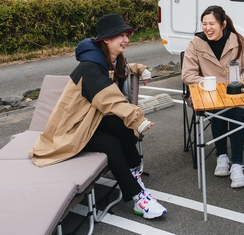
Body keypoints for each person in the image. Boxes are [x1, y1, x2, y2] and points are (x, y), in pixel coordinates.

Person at [31, 13, 166, 219]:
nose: (127, 40)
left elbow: (122, 70)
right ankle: (138, 197)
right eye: (121, 36)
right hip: (73, 129)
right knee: (111, 144)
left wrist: (140, 69)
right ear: (106, 40)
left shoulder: (111, 59)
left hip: (91, 120)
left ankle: (132, 172)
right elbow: (109, 98)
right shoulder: (90, 67)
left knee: (122, 126)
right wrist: (138, 119)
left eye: (126, 35)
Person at [181, 5, 244, 188]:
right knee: (219, 105)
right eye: (204, 24)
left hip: (236, 93)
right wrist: (210, 84)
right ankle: (221, 156)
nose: (207, 28)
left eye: (212, 23)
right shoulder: (196, 42)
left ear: (223, 24)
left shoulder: (239, 41)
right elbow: (187, 75)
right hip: (206, 94)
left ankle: (237, 164)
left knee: (235, 108)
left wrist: (236, 81)